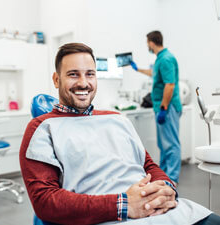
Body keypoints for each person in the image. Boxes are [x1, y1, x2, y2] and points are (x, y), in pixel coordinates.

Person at [20, 43, 219, 225]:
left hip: (167, 211)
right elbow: (45, 201)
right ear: (56, 79)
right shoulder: (42, 128)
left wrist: (166, 189)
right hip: (109, 217)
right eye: (73, 74)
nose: (83, 83)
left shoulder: (117, 119)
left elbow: (147, 165)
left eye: (90, 74)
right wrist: (124, 205)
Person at [130, 31, 182, 186]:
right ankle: (164, 174)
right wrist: (137, 69)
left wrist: (164, 107)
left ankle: (172, 178)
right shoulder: (160, 58)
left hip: (168, 107)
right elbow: (154, 73)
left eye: (147, 43)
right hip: (161, 107)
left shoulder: (166, 59)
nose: (147, 46)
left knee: (171, 144)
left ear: (152, 43)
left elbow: (170, 85)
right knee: (164, 144)